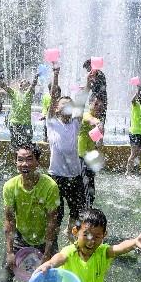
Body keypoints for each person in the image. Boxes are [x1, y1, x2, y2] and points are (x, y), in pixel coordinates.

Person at [0, 144, 62, 282]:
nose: (24, 163)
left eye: (29, 159)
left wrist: (47, 254)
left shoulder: (49, 186)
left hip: (45, 239)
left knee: (49, 279)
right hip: (21, 238)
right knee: (4, 275)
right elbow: (8, 220)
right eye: (20, 159)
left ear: (37, 162)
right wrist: (9, 252)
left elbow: (52, 222)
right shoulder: (10, 186)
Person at [46, 65, 87, 230]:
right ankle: (53, 239)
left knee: (77, 211)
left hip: (74, 175)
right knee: (57, 211)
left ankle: (70, 233)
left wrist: (88, 82)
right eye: (64, 104)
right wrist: (55, 74)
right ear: (56, 108)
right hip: (56, 176)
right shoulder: (52, 123)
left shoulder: (75, 124)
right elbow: (54, 95)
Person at [78, 95, 106, 208]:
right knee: (85, 187)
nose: (98, 107)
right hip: (82, 158)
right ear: (90, 104)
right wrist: (98, 123)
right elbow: (90, 120)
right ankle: (86, 211)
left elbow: (98, 143)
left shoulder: (97, 121)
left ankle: (87, 209)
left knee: (90, 188)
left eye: (100, 105)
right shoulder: (86, 115)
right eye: (95, 104)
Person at [0, 70, 37, 148]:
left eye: (27, 82)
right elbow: (4, 86)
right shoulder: (14, 93)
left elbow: (33, 84)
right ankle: (16, 158)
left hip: (26, 123)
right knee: (15, 145)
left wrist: (36, 77)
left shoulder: (29, 93)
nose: (25, 82)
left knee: (28, 144)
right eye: (23, 81)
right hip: (15, 123)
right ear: (20, 85)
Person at [124, 88, 141, 175]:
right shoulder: (136, 106)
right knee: (134, 153)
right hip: (134, 132)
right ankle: (128, 172)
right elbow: (132, 100)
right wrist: (138, 91)